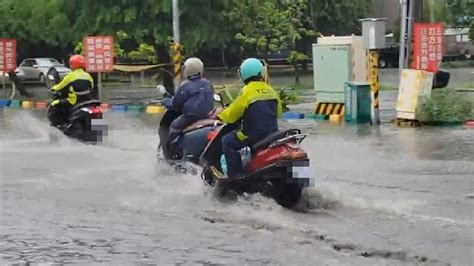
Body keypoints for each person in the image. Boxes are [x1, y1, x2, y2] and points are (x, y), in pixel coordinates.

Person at [215, 58, 282, 180]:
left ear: (243, 74)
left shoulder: (247, 91)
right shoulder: (271, 90)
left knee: (227, 141)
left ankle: (235, 176)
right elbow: (279, 112)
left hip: (252, 135)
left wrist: (220, 115)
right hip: (273, 133)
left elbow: (231, 115)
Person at [167, 57, 214, 158]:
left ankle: (174, 149)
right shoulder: (208, 83)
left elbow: (177, 103)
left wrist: (169, 103)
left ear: (187, 69)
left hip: (190, 117)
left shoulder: (185, 85)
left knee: (174, 126)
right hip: (206, 116)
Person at [48, 55, 94, 126]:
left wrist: (52, 88)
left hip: (74, 101)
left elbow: (60, 87)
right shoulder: (88, 76)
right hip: (87, 101)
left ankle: (57, 124)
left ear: (72, 64)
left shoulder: (70, 76)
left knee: (54, 103)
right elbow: (91, 87)